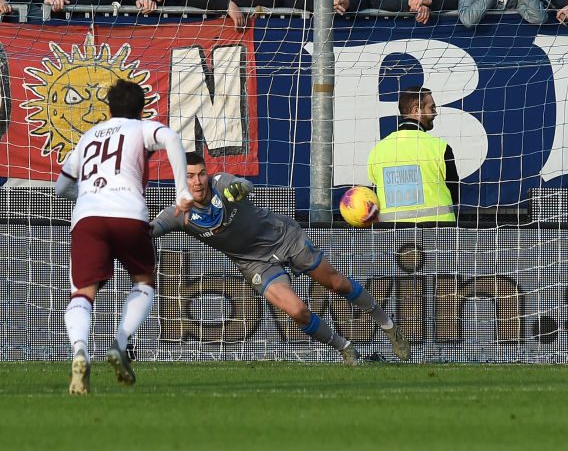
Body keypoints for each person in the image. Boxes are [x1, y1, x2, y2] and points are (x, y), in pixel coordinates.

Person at [151, 153, 411, 364]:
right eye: (190, 177)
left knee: (336, 283)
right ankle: (346, 349)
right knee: (298, 312)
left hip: (283, 237)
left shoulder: (221, 184)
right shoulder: (177, 213)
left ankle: (389, 327)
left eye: (201, 174)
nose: (197, 182)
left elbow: (243, 185)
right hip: (255, 263)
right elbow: (150, 230)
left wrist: (240, 188)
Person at [53, 79, 193, 394]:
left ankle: (80, 352)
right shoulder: (140, 129)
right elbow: (170, 136)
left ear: (108, 108)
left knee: (82, 293)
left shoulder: (87, 137)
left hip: (88, 217)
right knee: (144, 282)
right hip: (129, 213)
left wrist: (86, 193)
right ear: (141, 109)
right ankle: (119, 342)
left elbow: (61, 188)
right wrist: (181, 190)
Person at [367, 86, 459, 223]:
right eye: (432, 108)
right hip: (439, 233)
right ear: (417, 110)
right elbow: (455, 195)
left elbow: (376, 195)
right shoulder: (440, 147)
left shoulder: (378, 150)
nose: (435, 113)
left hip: (393, 235)